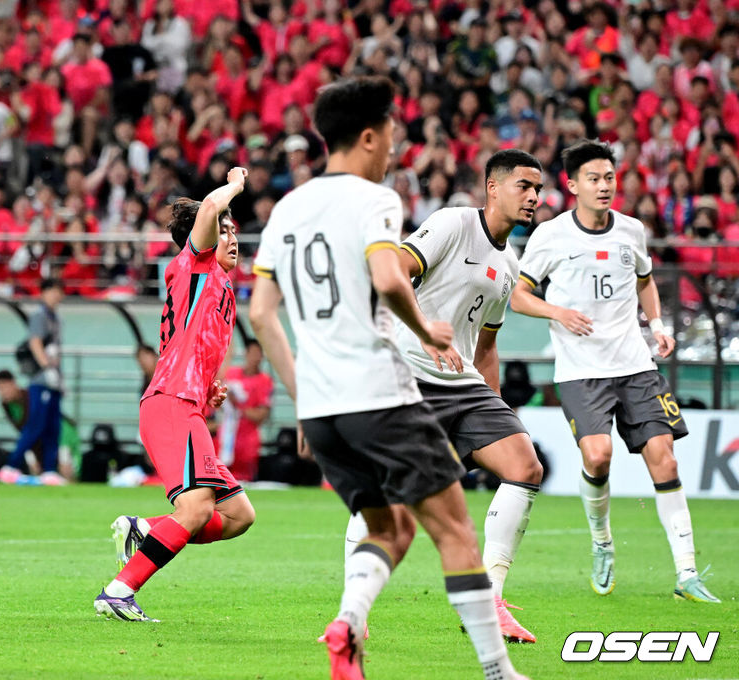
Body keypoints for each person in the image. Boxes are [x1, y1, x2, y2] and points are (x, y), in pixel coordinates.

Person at [248, 77, 525, 680]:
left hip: (323, 409)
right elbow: (389, 277)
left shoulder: (287, 207)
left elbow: (261, 314)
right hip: (380, 392)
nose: (398, 145)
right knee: (454, 531)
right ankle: (499, 671)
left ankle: (347, 626)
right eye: (394, 131)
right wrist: (426, 328)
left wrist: (300, 398)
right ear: (369, 136)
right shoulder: (375, 199)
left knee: (389, 528)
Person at [344, 149, 546, 644]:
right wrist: (425, 330)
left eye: (538, 189)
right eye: (525, 186)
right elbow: (395, 270)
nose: (535, 197)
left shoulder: (509, 263)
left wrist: (496, 408)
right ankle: (352, 612)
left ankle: (491, 601)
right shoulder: (453, 224)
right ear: (492, 187)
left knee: (526, 467)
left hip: (466, 388)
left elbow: (487, 343)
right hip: (412, 376)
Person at [510, 139, 719, 604]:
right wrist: (557, 313)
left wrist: (658, 325)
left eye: (609, 177)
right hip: (581, 370)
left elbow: (645, 281)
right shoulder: (551, 236)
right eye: (593, 178)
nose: (604, 186)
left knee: (664, 457)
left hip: (634, 364)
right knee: (598, 456)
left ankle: (686, 573)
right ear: (572, 185)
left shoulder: (630, 231)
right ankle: (602, 543)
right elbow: (518, 294)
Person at [93, 166, 256, 623]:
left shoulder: (221, 286)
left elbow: (185, 348)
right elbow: (208, 206)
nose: (231, 237)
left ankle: (148, 531)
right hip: (169, 405)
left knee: (240, 515)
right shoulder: (194, 265)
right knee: (198, 506)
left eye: (233, 229)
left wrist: (208, 393)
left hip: (186, 406)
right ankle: (119, 590)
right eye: (222, 230)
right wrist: (235, 187)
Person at [0, 278, 68, 486]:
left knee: (53, 427)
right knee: (35, 425)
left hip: (53, 380)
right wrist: (47, 367)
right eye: (53, 291)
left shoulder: (56, 318)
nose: (56, 296)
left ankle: (49, 469)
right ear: (44, 293)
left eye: (58, 292)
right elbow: (35, 342)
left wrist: (58, 377)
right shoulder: (39, 316)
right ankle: (11, 465)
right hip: (41, 380)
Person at [219, 339, 273, 482]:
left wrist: (238, 405)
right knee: (221, 477)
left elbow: (261, 415)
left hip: (248, 438)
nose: (255, 357)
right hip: (227, 434)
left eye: (258, 354)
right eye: (252, 353)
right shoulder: (231, 373)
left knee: (245, 480)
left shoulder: (264, 380)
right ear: (246, 354)